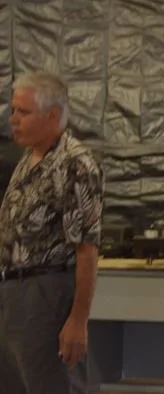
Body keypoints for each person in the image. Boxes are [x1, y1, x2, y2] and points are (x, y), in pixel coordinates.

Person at [0, 71, 104, 394]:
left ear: (52, 115)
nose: (13, 119)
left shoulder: (75, 163)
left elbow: (86, 249)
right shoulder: (28, 159)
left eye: (23, 112)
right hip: (13, 294)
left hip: (46, 294)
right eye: (13, 110)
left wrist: (77, 320)